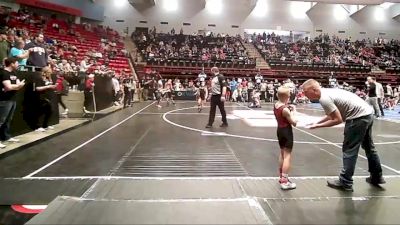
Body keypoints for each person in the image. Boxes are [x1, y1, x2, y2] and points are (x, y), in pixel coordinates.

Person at [302, 79, 385, 192]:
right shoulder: (327, 92)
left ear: (314, 90)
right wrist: (317, 122)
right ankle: (377, 176)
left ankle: (345, 182)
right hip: (367, 114)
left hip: (357, 118)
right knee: (369, 147)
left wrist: (317, 126)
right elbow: (332, 114)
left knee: (349, 149)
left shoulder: (324, 98)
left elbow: (337, 120)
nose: (305, 95)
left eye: (306, 92)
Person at [274, 86, 297, 190]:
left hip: (279, 130)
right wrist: (294, 110)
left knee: (282, 153)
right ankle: (285, 181)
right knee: (287, 156)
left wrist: (288, 108)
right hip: (287, 132)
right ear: (287, 96)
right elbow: (294, 122)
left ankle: (281, 177)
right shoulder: (286, 110)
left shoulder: (276, 105)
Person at [0, 57, 25, 148]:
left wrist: (15, 86)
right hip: (4, 99)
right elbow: (9, 87)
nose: (18, 65)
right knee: (1, 120)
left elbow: (18, 85)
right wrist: (16, 86)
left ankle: (6, 137)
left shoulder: (14, 73)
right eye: (17, 63)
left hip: (12, 99)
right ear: (12, 64)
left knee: (8, 120)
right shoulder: (4, 73)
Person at [29, 66, 57, 132]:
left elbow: (50, 85)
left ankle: (45, 124)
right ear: (45, 72)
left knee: (50, 110)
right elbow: (37, 88)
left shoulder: (48, 78)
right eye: (49, 72)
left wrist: (52, 86)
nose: (50, 74)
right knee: (40, 112)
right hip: (40, 96)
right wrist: (48, 86)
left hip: (48, 96)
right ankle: (38, 126)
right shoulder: (39, 78)